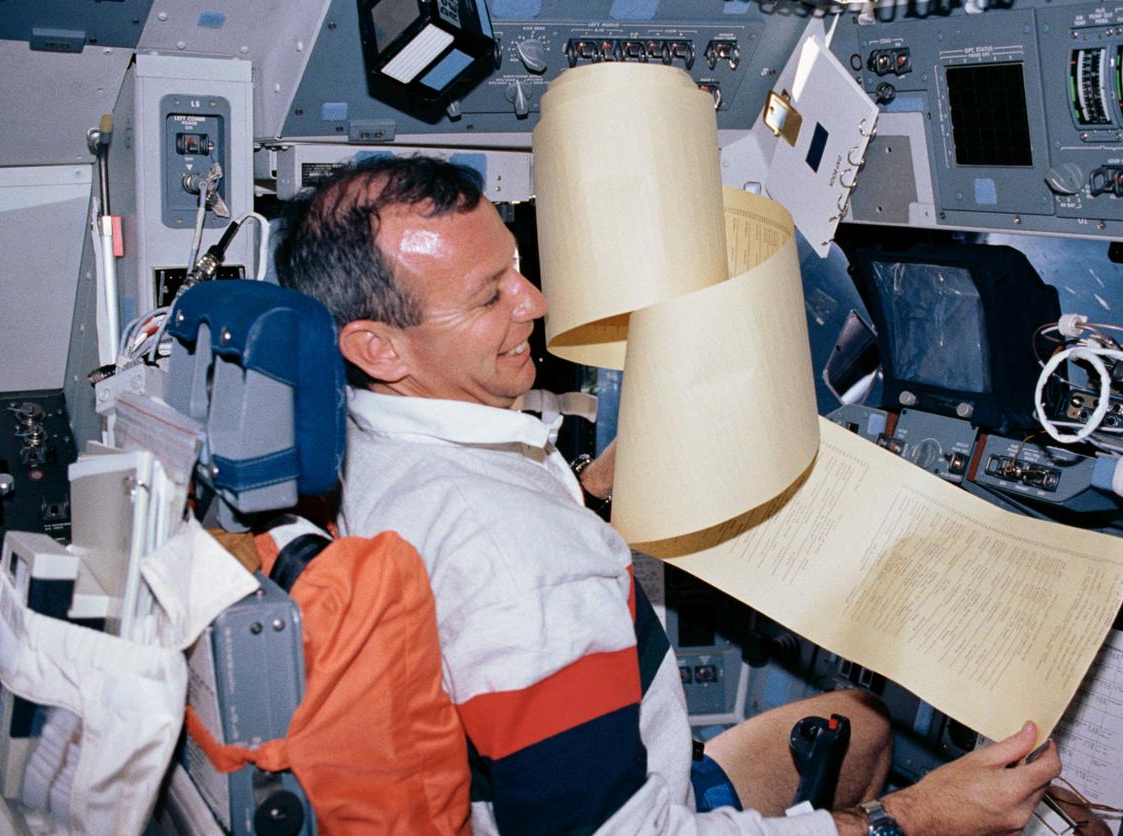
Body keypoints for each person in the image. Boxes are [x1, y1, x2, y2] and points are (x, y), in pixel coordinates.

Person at [275, 154, 1063, 835]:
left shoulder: (353, 437)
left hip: (583, 778)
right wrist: (913, 819)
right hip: (638, 812)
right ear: (376, 346)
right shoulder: (521, 559)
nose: (535, 303)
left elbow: (487, 564)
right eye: (490, 298)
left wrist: (591, 492)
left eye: (516, 265)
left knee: (861, 727)